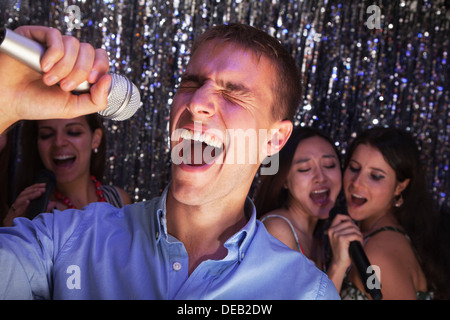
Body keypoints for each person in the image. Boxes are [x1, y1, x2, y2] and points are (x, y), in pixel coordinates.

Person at [0, 24, 340, 299]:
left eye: (233, 92)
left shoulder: (307, 292)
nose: (197, 102)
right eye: (190, 83)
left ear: (274, 139)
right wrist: (4, 102)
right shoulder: (66, 241)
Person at [327, 127, 450, 299]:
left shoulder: (378, 256)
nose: (357, 182)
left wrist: (336, 267)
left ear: (400, 186)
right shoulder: (383, 233)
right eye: (354, 168)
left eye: (376, 176)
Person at [3, 114, 132, 227]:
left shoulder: (118, 200)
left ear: (95, 139)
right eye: (46, 135)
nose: (59, 142)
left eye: (73, 132)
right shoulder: (37, 212)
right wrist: (10, 232)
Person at [254, 126, 342, 270]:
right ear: (285, 181)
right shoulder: (277, 229)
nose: (320, 178)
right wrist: (338, 265)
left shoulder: (317, 241)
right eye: (304, 169)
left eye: (329, 165)